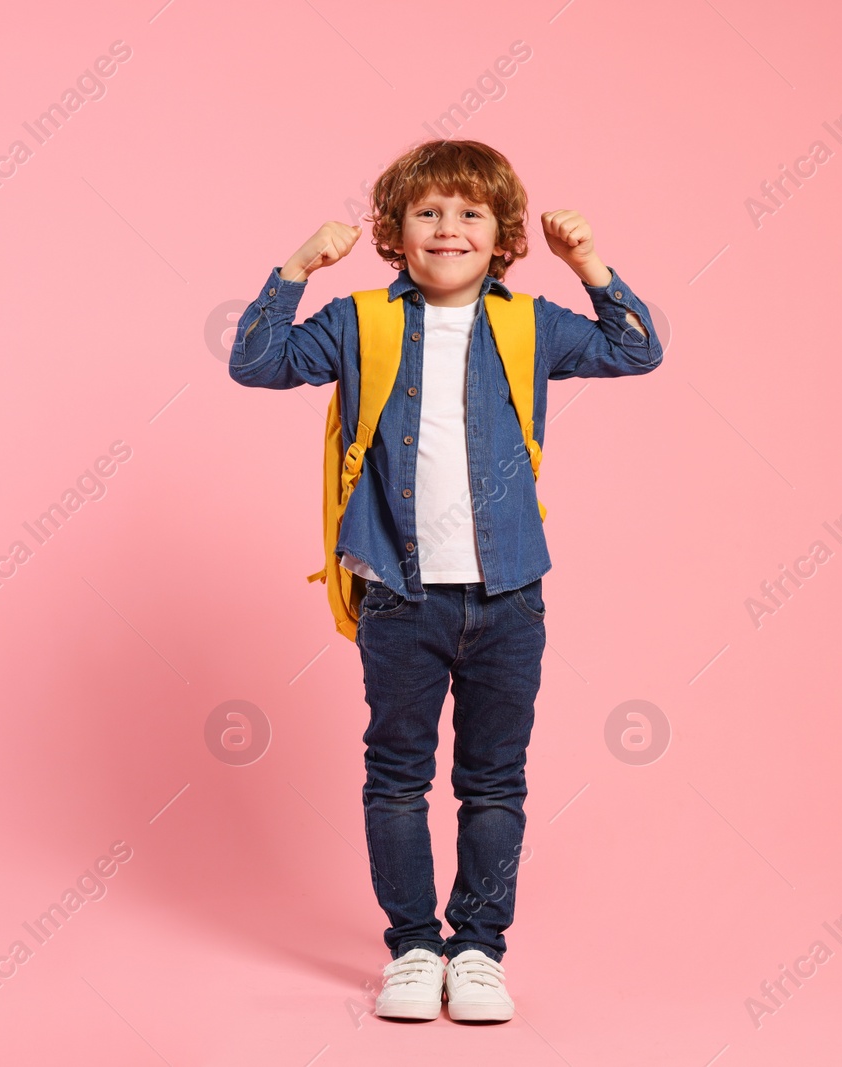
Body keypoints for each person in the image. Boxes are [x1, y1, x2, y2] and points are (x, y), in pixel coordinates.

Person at [228, 139, 663, 1023]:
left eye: (470, 213)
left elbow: (637, 350)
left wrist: (589, 264)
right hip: (398, 592)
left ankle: (479, 949)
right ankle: (414, 947)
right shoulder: (360, 322)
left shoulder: (532, 324)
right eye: (427, 212)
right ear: (394, 233)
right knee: (396, 776)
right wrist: (295, 267)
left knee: (494, 780)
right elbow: (256, 362)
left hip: (508, 595)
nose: (449, 228)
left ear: (504, 235)